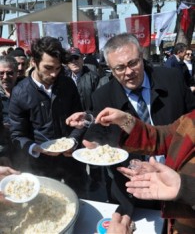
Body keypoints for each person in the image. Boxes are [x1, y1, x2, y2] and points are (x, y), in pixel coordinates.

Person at [79, 33, 195, 214]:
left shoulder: (172, 79)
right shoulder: (102, 96)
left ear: (142, 56)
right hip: (134, 187)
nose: (129, 72)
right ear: (110, 68)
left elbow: (188, 124)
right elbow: (100, 134)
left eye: (133, 63)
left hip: (181, 181)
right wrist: (91, 132)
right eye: (120, 68)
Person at [91, 106, 195, 234]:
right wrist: (126, 121)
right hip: (175, 219)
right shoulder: (192, 118)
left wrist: (185, 187)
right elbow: (164, 137)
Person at [9, 37, 87, 196]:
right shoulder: (20, 93)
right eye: (48, 67)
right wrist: (35, 148)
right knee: (50, 205)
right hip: (41, 164)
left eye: (58, 68)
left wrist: (73, 140)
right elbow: (17, 134)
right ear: (33, 62)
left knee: (82, 200)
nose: (53, 73)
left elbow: (80, 119)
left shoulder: (67, 84)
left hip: (72, 159)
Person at [0, 56, 18, 164]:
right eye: (1, 73)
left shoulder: (26, 92)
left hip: (24, 147)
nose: (5, 77)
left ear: (16, 73)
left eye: (9, 73)